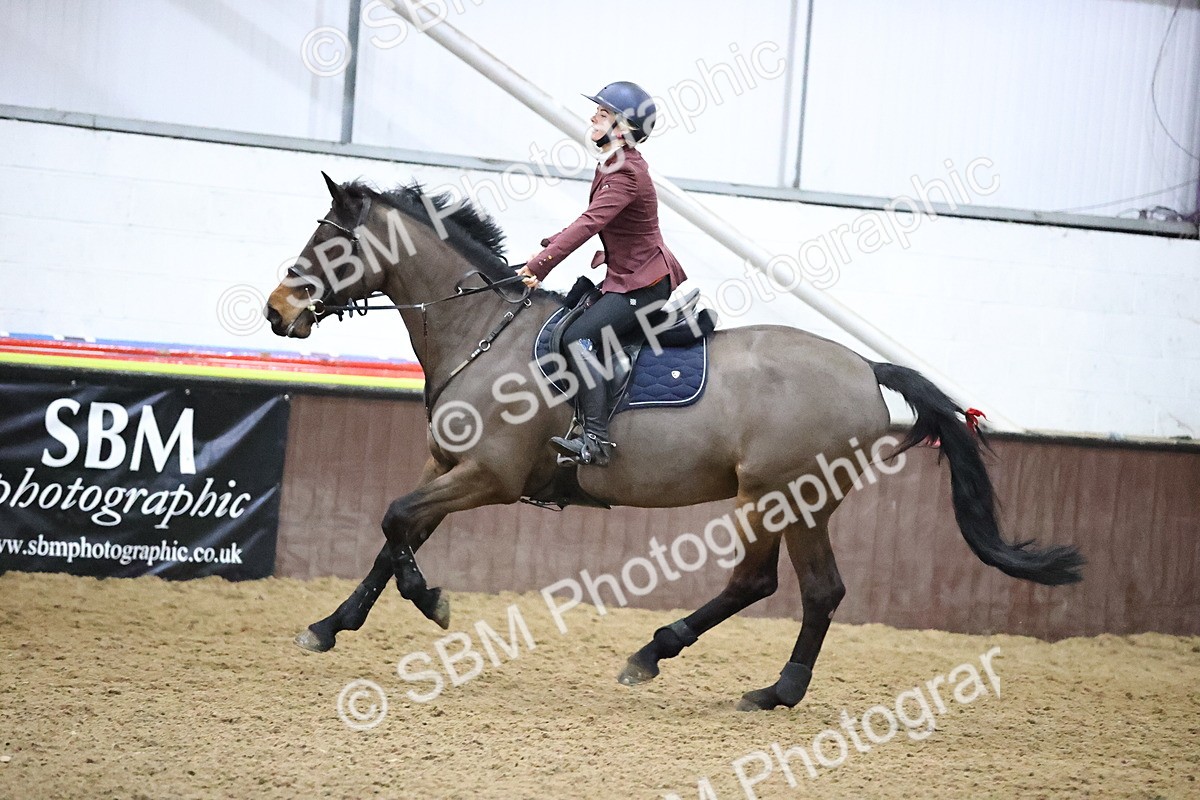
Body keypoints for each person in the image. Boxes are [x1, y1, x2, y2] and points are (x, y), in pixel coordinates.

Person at [517, 81, 687, 467]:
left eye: (604, 113)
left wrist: (541, 266)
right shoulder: (614, 163)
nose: (593, 116)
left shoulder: (626, 171)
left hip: (643, 283)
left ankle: (595, 439)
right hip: (626, 276)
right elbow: (588, 220)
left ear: (624, 127)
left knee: (578, 337)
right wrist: (541, 252)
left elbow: (590, 224)